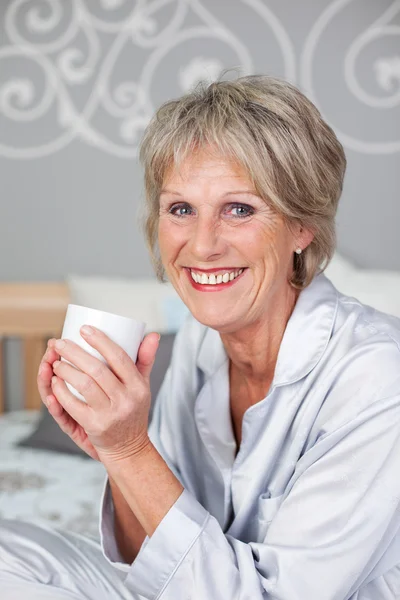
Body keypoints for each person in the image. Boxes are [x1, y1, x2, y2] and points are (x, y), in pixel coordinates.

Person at [1, 74, 399, 600]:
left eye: (239, 209)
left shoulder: (376, 376)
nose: (203, 245)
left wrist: (130, 449)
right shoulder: (199, 339)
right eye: (181, 209)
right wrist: (114, 449)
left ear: (302, 228)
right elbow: (151, 558)